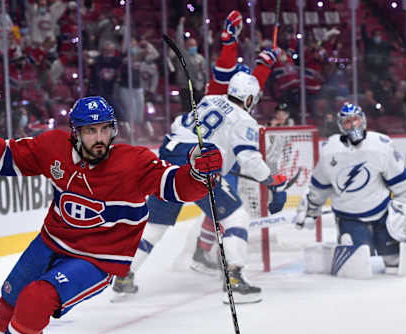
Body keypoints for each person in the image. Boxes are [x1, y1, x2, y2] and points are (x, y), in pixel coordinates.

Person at [0, 96, 223, 334]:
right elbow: (5, 158)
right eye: (90, 131)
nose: (99, 139)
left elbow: (176, 187)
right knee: (7, 305)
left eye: (104, 129)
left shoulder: (133, 163)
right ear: (75, 133)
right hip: (49, 243)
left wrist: (198, 174)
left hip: (97, 259)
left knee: (36, 300)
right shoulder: (53, 147)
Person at [110, 11, 286, 305]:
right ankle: (234, 280)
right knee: (236, 215)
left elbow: (223, 79)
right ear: (251, 100)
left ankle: (125, 275)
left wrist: (244, 51)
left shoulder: (209, 99)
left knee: (157, 223)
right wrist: (273, 182)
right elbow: (249, 158)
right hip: (197, 162)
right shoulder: (244, 118)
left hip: (167, 158)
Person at [295, 103, 406, 278]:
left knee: (395, 262)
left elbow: (400, 182)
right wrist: (311, 210)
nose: (353, 125)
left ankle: (396, 245)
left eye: (355, 120)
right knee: (356, 264)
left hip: (382, 214)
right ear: (341, 125)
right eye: (347, 122)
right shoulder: (330, 151)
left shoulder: (380, 145)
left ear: (362, 120)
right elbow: (319, 186)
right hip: (349, 216)